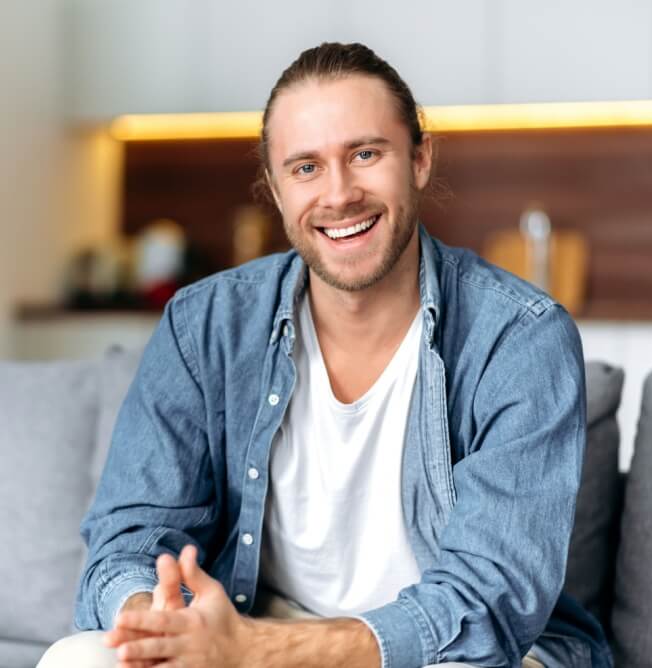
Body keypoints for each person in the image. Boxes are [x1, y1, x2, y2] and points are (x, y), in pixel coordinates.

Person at [38, 42, 612, 668]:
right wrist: (152, 620)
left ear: (420, 160)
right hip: (254, 632)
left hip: (443, 653)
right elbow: (130, 539)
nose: (339, 195)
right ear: (276, 189)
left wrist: (256, 649)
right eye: (306, 167)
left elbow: (487, 605)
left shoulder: (519, 338)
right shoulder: (204, 325)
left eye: (365, 154)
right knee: (81, 658)